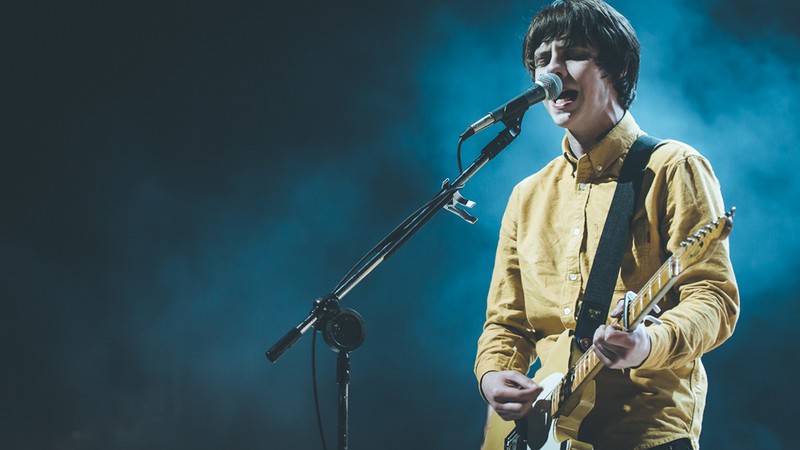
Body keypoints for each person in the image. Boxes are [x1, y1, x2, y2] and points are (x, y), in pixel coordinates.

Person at [473, 1, 739, 449]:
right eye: (541, 60)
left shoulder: (673, 167)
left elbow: (713, 299)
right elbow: (507, 322)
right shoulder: (528, 195)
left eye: (572, 53)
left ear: (617, 69)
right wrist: (493, 376)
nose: (551, 71)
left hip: (643, 432)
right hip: (545, 434)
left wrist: (647, 344)